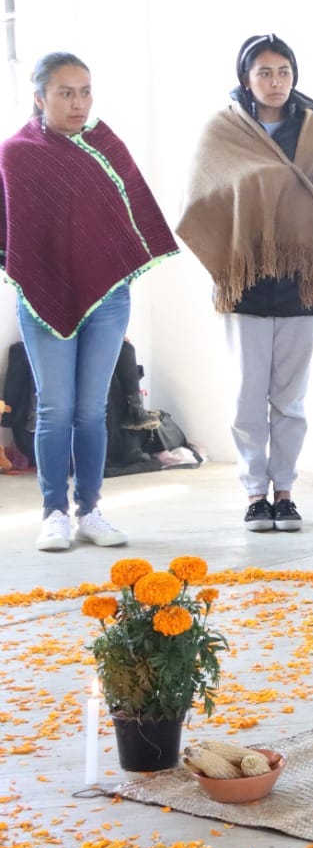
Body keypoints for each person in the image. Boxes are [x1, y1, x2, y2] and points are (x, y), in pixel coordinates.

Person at [0, 52, 179, 550]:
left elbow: (130, 211)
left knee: (92, 410)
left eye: (85, 91)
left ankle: (92, 510)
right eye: (65, 93)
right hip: (42, 299)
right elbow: (14, 232)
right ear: (40, 97)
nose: (78, 103)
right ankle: (54, 512)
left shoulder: (105, 143)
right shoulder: (17, 152)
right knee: (56, 408)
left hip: (108, 297)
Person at [179, 34, 313, 533]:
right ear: (246, 78)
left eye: (284, 72)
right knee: (249, 394)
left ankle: (286, 492)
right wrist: (259, 224)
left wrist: (290, 223)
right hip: (245, 278)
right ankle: (255, 492)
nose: (276, 82)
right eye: (265, 73)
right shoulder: (223, 131)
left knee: (290, 398)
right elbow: (204, 198)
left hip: (302, 278)